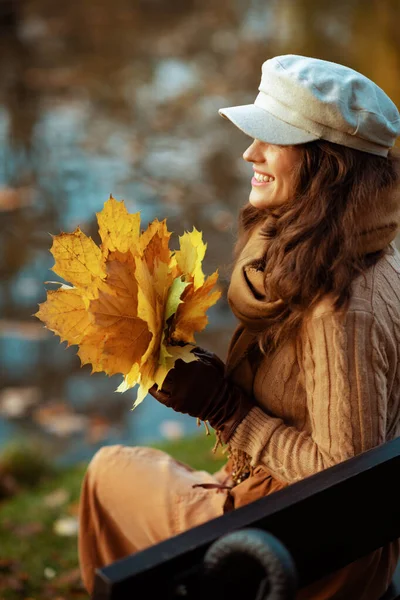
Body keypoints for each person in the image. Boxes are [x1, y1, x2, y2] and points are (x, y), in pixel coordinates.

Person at [78, 55, 400, 599]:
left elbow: (345, 486)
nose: (251, 152)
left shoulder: (340, 310)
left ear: (329, 167)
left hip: (303, 550)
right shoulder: (363, 250)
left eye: (274, 138)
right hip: (299, 522)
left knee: (109, 472)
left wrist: (225, 407)